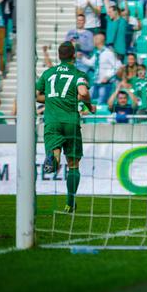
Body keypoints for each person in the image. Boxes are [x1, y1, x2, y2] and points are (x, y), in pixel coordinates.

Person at [36, 42, 96, 213]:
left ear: (59, 55)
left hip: (52, 121)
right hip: (70, 122)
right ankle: (70, 203)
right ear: (73, 55)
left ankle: (52, 159)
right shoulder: (78, 74)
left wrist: (53, 99)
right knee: (73, 164)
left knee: (55, 153)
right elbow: (83, 93)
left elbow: (38, 95)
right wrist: (89, 106)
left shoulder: (48, 73)